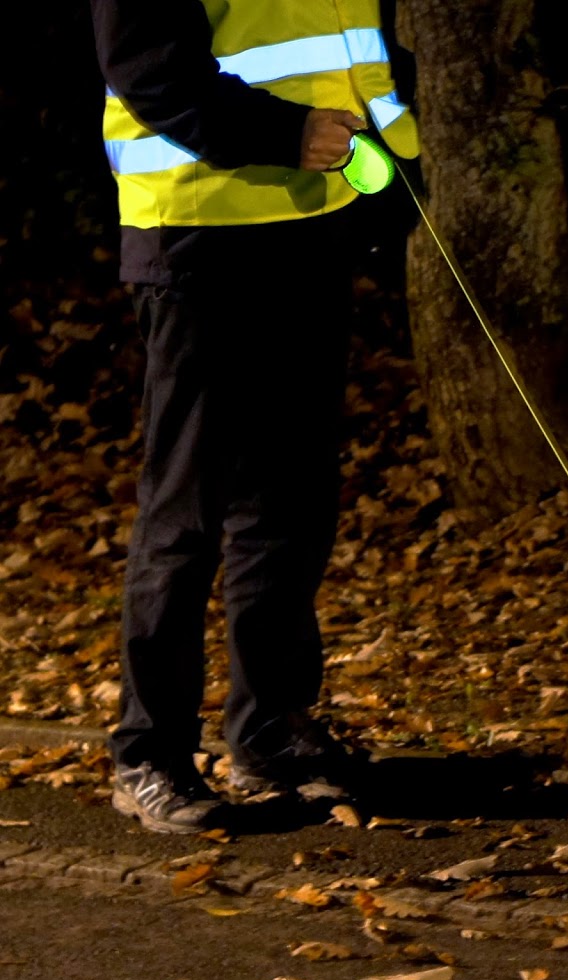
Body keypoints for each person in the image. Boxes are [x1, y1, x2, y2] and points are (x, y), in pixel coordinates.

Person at [89, 0, 419, 833]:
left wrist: (397, 175)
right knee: (186, 511)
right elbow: (148, 70)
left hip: (309, 229)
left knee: (291, 502)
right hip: (196, 234)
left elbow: (360, 53)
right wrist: (283, 135)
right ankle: (149, 754)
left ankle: (273, 733)